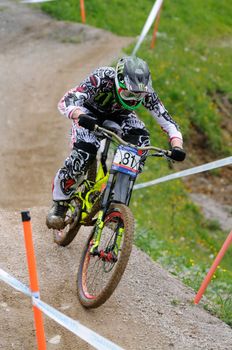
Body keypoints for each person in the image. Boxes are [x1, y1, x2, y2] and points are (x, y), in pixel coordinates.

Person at [46, 56, 186, 230]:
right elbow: (69, 99)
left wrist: (177, 146)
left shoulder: (145, 92)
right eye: (129, 94)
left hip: (121, 118)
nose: (134, 100)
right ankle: (60, 204)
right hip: (88, 113)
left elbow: (168, 122)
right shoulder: (103, 77)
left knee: (141, 140)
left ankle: (115, 202)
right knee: (84, 152)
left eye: (139, 96)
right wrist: (78, 115)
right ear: (119, 83)